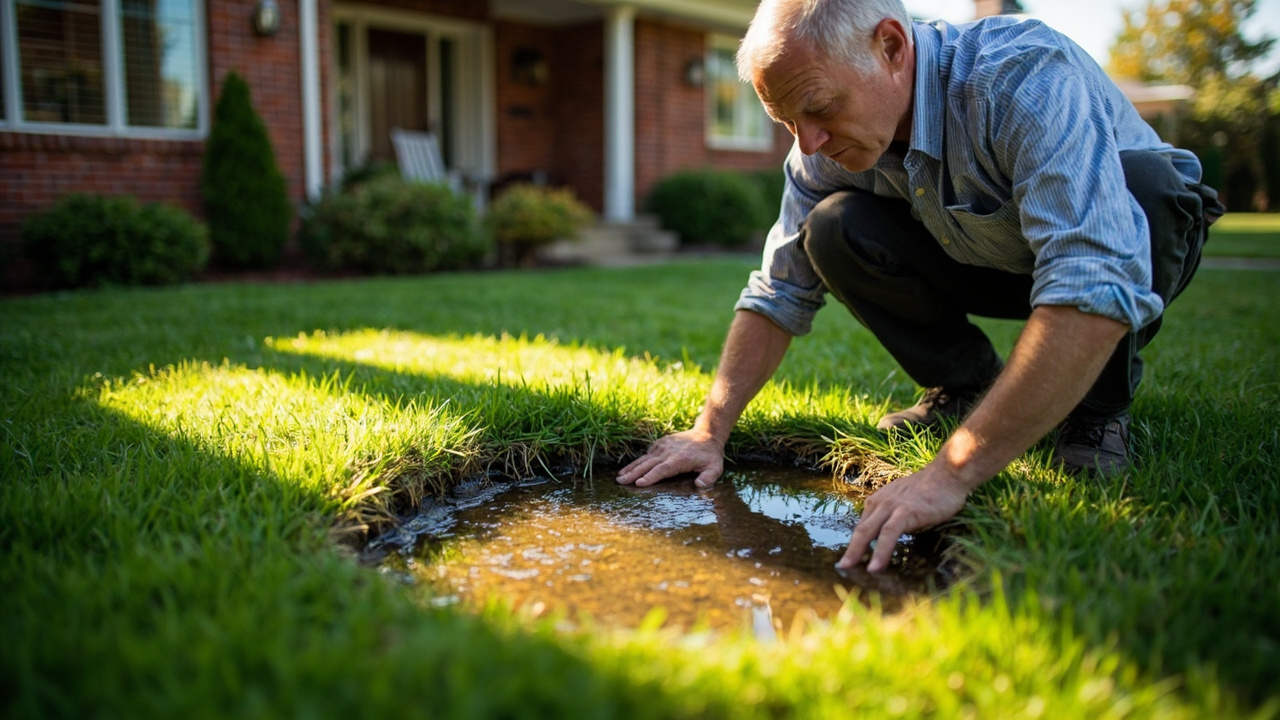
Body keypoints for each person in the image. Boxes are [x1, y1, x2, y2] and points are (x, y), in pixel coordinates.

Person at [616, 0, 1222, 574]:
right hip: (982, 251)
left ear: (891, 47)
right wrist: (708, 429)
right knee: (831, 228)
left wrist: (951, 473)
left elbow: (1094, 276)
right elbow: (779, 290)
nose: (808, 142)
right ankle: (964, 386)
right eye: (786, 121)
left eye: (820, 108)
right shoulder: (821, 147)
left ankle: (1097, 412)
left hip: (1131, 240)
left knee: (1146, 186)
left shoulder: (1021, 76)